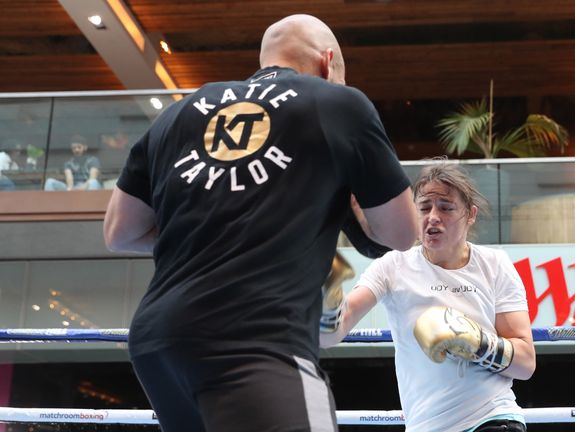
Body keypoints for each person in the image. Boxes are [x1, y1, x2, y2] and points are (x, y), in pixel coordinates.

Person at [103, 13, 419, 432]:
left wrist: (212, 226)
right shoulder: (339, 103)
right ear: (328, 63)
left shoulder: (176, 115)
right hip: (256, 338)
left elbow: (119, 232)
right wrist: (339, 203)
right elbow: (401, 234)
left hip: (159, 343)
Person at [321, 162, 536, 432]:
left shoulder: (494, 264)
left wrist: (478, 343)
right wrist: (327, 296)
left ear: (470, 215)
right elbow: (330, 335)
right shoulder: (393, 266)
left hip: (492, 419)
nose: (433, 216)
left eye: (445, 207)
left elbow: (526, 363)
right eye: (424, 208)